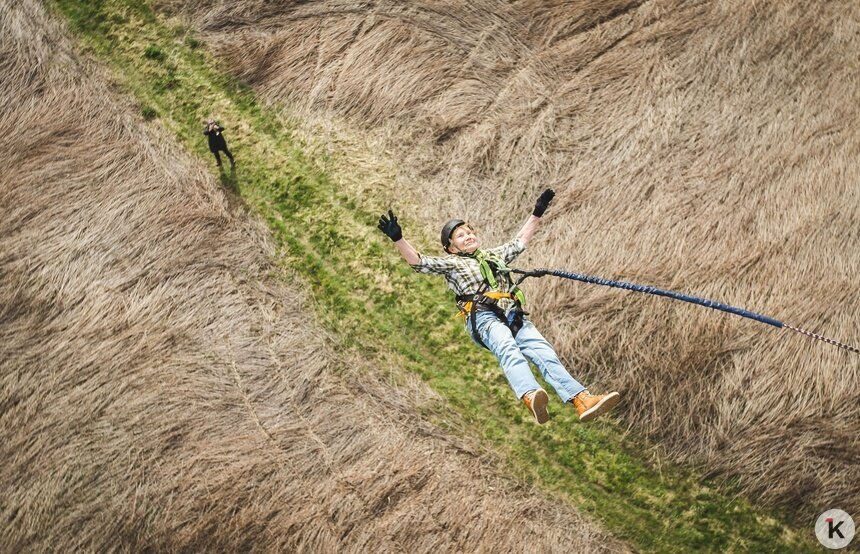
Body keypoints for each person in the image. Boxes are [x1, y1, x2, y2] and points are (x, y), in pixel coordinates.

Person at [377, 189, 620, 424]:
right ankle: (529, 394)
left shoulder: (495, 256)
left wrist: (537, 212)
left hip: (513, 314)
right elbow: (420, 263)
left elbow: (520, 241)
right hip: (483, 317)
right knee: (507, 347)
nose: (468, 236)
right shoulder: (452, 264)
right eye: (460, 235)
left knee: (545, 353)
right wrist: (399, 239)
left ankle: (581, 400)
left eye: (469, 232)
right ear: (451, 247)